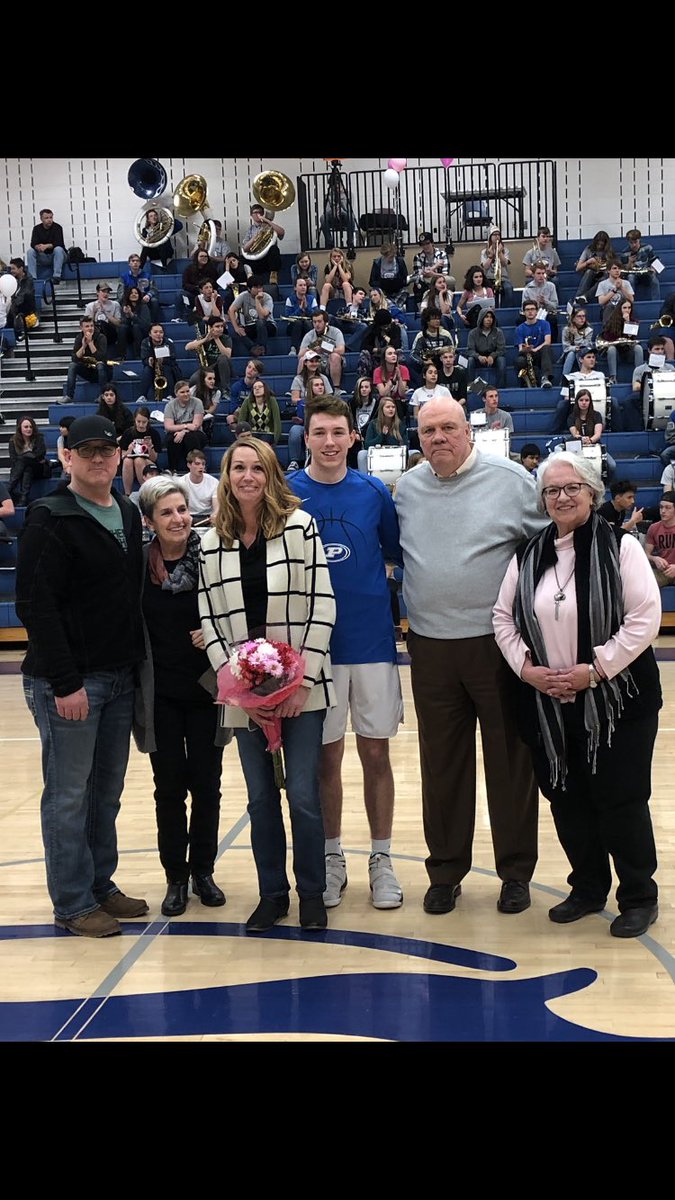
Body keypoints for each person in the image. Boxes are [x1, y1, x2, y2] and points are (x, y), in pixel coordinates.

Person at [493, 451, 662, 938]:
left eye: (572, 488)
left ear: (592, 492)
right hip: (548, 701)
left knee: (621, 798)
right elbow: (502, 618)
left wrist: (597, 670)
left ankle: (637, 895)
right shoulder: (528, 553)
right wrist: (527, 671)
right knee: (567, 799)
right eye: (552, 490)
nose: (562, 497)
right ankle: (587, 888)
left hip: (617, 703)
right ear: (542, 500)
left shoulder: (622, 547)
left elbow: (644, 619)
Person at [395, 397, 545, 916]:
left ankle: (516, 873)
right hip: (430, 647)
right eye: (428, 430)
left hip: (497, 646)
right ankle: (446, 872)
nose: (438, 438)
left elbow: (545, 549)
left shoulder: (510, 481)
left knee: (511, 763)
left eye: (448, 428)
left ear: (469, 431)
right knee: (441, 766)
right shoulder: (408, 488)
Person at [15, 414, 148, 937]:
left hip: (118, 677)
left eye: (106, 450)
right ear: (66, 456)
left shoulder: (128, 512)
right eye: (86, 451)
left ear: (119, 456)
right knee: (68, 796)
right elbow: (34, 606)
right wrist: (66, 682)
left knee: (106, 793)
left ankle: (99, 885)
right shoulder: (50, 516)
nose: (98, 459)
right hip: (68, 683)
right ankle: (72, 903)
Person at [198, 435, 336, 932]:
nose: (247, 476)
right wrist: (238, 686)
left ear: (271, 474)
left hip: (303, 692)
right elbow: (209, 618)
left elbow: (323, 604)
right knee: (260, 798)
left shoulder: (301, 527)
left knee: (301, 793)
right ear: (227, 476)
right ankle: (272, 894)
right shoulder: (210, 538)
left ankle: (313, 894)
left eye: (257, 468)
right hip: (244, 696)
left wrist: (300, 684)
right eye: (238, 468)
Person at [289, 399, 405, 911]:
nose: (331, 441)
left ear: (353, 437)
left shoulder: (374, 491)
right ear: (307, 437)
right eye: (321, 432)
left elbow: (393, 556)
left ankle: (382, 859)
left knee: (376, 753)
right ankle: (332, 857)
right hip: (315, 650)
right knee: (326, 758)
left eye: (339, 432)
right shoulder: (288, 493)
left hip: (372, 644)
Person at [134, 475, 226, 917]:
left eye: (183, 510)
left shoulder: (211, 558)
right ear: (150, 520)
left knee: (207, 787)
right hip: (160, 697)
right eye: (167, 512)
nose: (179, 519)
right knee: (168, 789)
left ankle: (203, 871)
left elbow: (235, 615)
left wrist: (213, 634)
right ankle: (175, 878)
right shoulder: (137, 567)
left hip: (207, 692)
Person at [553, 347, 607, 435]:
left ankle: (618, 432)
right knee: (562, 404)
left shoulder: (600, 375)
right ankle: (554, 433)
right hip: (577, 405)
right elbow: (566, 397)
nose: (592, 360)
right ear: (581, 360)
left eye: (593, 357)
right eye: (589, 357)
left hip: (597, 401)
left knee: (614, 402)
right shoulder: (570, 376)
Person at [566, 387, 616, 478]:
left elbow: (597, 434)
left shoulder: (596, 415)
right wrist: (582, 439)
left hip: (595, 444)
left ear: (590, 402)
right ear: (577, 401)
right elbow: (575, 434)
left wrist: (590, 440)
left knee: (612, 465)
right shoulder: (571, 417)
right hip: (578, 446)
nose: (584, 403)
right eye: (581, 400)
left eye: (587, 400)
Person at [286, 374, 332, 469]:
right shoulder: (303, 403)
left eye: (321, 385)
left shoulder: (330, 402)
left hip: (325, 427)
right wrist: (300, 420)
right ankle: (294, 461)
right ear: (311, 388)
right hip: (307, 426)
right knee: (295, 430)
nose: (320, 387)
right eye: (316, 385)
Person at [62, 315, 109, 403]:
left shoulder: (101, 337)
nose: (90, 328)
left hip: (104, 372)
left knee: (99, 364)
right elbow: (74, 358)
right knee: (72, 366)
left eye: (91, 326)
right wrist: (83, 346)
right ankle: (69, 396)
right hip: (88, 371)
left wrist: (90, 343)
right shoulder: (79, 338)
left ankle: (102, 395)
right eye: (87, 326)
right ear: (81, 328)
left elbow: (101, 358)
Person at [163, 379, 207, 474]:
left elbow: (195, 426)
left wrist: (183, 431)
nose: (186, 394)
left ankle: (196, 466)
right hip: (177, 431)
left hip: (196, 433)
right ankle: (172, 469)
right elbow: (168, 426)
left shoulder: (197, 402)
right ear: (176, 394)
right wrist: (186, 426)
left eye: (188, 391)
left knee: (190, 438)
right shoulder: (170, 405)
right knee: (172, 439)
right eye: (182, 392)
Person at [227, 275, 276, 358]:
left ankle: (262, 348)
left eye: (260, 287)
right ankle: (254, 348)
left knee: (260, 322)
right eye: (256, 287)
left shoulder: (267, 298)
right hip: (251, 325)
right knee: (239, 332)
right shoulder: (243, 296)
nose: (259, 290)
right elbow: (231, 310)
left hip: (268, 325)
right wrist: (236, 327)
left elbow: (262, 316)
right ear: (249, 289)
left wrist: (257, 300)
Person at [298, 309, 345, 391]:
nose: (317, 324)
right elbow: (300, 354)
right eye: (314, 322)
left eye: (319, 321)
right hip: (316, 362)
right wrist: (312, 349)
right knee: (303, 360)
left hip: (331, 362)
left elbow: (341, 350)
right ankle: (299, 389)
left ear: (326, 322)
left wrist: (326, 348)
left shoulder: (336, 332)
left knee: (335, 356)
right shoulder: (309, 335)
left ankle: (337, 389)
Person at [185, 314, 232, 397]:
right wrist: (205, 340)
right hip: (208, 369)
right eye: (217, 326)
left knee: (223, 358)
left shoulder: (226, 338)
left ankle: (225, 390)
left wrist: (216, 339)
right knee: (192, 380)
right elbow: (187, 347)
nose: (220, 329)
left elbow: (227, 355)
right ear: (210, 328)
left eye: (222, 326)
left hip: (221, 367)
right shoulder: (205, 337)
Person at [119, 405, 162, 495]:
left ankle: (145, 492)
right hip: (130, 463)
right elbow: (122, 455)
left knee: (138, 460)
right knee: (127, 461)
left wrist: (150, 447)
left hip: (148, 462)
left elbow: (154, 459)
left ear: (148, 421)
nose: (141, 425)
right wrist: (129, 450)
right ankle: (128, 494)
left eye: (144, 422)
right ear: (134, 420)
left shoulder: (153, 433)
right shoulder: (128, 433)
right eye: (138, 421)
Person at [599, 298, 643, 383]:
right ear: (620, 308)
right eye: (625, 308)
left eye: (629, 308)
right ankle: (613, 377)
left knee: (638, 348)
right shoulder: (612, 321)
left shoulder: (634, 321)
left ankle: (639, 377)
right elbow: (608, 338)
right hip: (616, 351)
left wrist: (627, 322)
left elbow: (631, 338)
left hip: (628, 351)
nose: (627, 310)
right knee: (611, 349)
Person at [360, 397, 409, 473]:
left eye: (393, 407)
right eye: (388, 407)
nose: (391, 409)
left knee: (414, 452)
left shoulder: (400, 424)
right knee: (362, 454)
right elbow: (367, 445)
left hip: (395, 455)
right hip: (377, 455)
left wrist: (387, 435)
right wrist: (381, 436)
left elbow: (405, 446)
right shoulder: (373, 424)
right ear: (381, 409)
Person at [8, 415, 49, 506]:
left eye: (31, 427)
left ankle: (8, 490)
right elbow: (13, 460)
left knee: (24, 460)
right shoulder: (13, 441)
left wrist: (26, 456)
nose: (29, 429)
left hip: (39, 469)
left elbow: (40, 455)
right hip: (23, 470)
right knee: (27, 468)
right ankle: (23, 498)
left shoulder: (38, 438)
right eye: (26, 427)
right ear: (20, 428)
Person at [240, 202, 285, 282]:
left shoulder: (269, 225)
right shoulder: (250, 230)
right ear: (252, 215)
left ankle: (273, 275)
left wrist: (267, 221)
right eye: (256, 212)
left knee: (274, 249)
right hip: (256, 259)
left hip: (268, 260)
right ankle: (249, 278)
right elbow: (245, 248)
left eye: (260, 212)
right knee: (242, 258)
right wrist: (255, 238)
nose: (258, 214)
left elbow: (282, 232)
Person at [409, 308, 456, 385]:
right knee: (410, 363)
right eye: (434, 319)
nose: (438, 321)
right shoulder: (420, 336)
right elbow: (413, 354)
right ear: (427, 321)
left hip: (442, 362)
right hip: (425, 364)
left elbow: (451, 350)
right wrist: (424, 362)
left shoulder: (446, 334)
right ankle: (419, 385)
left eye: (438, 318)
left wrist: (440, 354)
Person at [410, 232, 456, 306]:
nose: (425, 246)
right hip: (425, 282)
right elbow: (418, 276)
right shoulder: (418, 257)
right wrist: (435, 267)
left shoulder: (442, 254)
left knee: (451, 282)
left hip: (440, 280)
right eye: (423, 244)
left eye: (427, 243)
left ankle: (446, 306)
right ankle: (422, 308)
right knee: (418, 284)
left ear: (432, 243)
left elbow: (445, 274)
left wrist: (432, 274)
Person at [515, 300, 553, 388]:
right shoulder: (519, 329)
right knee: (519, 360)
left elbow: (547, 341)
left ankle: (545, 378)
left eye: (532, 309)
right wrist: (526, 349)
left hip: (540, 353)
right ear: (524, 312)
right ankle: (525, 384)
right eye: (527, 310)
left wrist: (535, 349)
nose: (530, 311)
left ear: (536, 311)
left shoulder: (545, 324)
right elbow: (520, 348)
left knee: (546, 348)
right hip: (527, 354)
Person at [466, 308, 507, 389]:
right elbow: (470, 350)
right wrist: (478, 356)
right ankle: (470, 386)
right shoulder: (472, 333)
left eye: (491, 317)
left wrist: (492, 356)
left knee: (501, 360)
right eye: (486, 317)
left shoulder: (498, 332)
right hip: (479, 358)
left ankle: (500, 388)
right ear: (481, 318)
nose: (489, 319)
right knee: (470, 360)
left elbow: (501, 349)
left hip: (493, 358)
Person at [139, 323, 179, 402]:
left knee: (167, 368)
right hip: (153, 368)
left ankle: (170, 395)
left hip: (167, 367)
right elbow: (144, 359)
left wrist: (163, 360)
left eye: (161, 332)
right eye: (155, 332)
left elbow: (173, 360)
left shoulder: (168, 343)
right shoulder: (145, 342)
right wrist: (149, 361)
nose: (158, 334)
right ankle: (143, 396)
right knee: (147, 369)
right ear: (150, 334)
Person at [117, 252, 162, 323]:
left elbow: (154, 289)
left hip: (144, 299)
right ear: (129, 263)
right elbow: (120, 292)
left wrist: (148, 295)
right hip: (130, 299)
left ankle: (153, 323)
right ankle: (125, 322)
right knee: (119, 302)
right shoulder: (123, 277)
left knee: (154, 301)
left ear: (140, 263)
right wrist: (126, 299)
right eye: (133, 261)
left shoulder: (147, 276)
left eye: (137, 261)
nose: (135, 263)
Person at [358, 308, 403, 378]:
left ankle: (399, 379)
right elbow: (363, 346)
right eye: (385, 326)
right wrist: (378, 350)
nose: (387, 328)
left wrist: (385, 336)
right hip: (376, 358)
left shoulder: (395, 328)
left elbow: (397, 345)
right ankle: (364, 381)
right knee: (364, 354)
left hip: (390, 357)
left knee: (399, 353)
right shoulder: (372, 329)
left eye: (389, 325)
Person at [84, 283, 125, 358]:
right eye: (103, 291)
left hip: (111, 332)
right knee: (99, 324)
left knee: (103, 324)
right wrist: (94, 312)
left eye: (108, 292)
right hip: (96, 333)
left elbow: (118, 323)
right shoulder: (90, 306)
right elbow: (87, 325)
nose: (106, 294)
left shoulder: (115, 304)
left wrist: (105, 312)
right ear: (97, 292)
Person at [175, 249, 219, 319]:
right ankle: (178, 318)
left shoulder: (212, 270)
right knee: (180, 294)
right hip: (193, 295)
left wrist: (207, 290)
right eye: (201, 256)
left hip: (208, 297)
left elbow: (215, 285)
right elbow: (185, 285)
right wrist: (197, 289)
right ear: (197, 257)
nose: (204, 258)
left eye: (206, 256)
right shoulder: (189, 269)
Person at [27, 208, 67, 283]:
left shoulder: (57, 227)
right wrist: (38, 247)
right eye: (46, 218)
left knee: (58, 249)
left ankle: (56, 276)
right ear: (41, 219)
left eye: (51, 217)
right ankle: (32, 278)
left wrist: (46, 246)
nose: (49, 220)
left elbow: (59, 243)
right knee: (30, 251)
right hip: (44, 256)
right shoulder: (36, 229)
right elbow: (33, 243)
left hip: (57, 256)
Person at [236, 378, 282, 444]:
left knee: (263, 443)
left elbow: (277, 421)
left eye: (260, 387)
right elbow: (241, 420)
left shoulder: (271, 400)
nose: (257, 389)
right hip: (252, 434)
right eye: (255, 387)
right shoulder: (247, 401)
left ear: (265, 389)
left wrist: (275, 440)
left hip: (268, 434)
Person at [522, 263, 560, 341]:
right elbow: (523, 307)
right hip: (533, 313)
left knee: (552, 319)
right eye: (538, 273)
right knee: (520, 320)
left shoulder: (551, 286)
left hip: (547, 312)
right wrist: (536, 304)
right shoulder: (528, 288)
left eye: (543, 273)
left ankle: (552, 343)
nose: (541, 276)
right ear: (533, 275)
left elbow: (555, 305)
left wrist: (545, 301)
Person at [621, 228, 660, 301]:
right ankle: (630, 303)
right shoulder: (624, 253)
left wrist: (653, 269)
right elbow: (624, 272)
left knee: (654, 279)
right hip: (633, 274)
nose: (634, 245)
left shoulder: (647, 247)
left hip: (646, 273)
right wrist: (629, 263)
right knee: (630, 278)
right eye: (631, 243)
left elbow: (655, 260)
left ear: (639, 240)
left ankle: (656, 302)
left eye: (635, 242)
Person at [645, 492, 675, 588]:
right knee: (642, 581)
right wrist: (655, 559)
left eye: (667, 508)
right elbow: (646, 554)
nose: (663, 511)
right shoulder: (653, 528)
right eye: (661, 507)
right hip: (663, 571)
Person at [480, 226, 515, 306]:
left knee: (508, 288)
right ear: (490, 237)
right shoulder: (484, 252)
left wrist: (499, 252)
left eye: (498, 234)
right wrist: (490, 256)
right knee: (488, 290)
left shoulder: (505, 250)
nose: (497, 236)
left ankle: (506, 310)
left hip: (503, 278)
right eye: (494, 234)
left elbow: (505, 263)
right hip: (489, 278)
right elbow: (485, 266)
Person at [575, 230, 613, 302]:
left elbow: (612, 267)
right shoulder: (588, 249)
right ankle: (578, 296)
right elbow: (578, 268)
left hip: (603, 275)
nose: (599, 247)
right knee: (589, 272)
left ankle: (585, 296)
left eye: (601, 245)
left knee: (605, 278)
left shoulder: (608, 252)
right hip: (590, 273)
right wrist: (588, 262)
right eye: (597, 244)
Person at [283, 276, 319, 353]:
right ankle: (294, 349)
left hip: (307, 325)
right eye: (300, 285)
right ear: (295, 288)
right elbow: (288, 317)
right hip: (293, 327)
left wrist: (306, 308)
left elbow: (317, 316)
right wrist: (299, 309)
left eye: (304, 285)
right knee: (298, 323)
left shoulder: (311, 299)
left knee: (307, 323)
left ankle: (312, 347)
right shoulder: (290, 299)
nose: (303, 287)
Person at [372, 344, 410, 417]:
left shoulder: (403, 369)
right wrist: (392, 380)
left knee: (398, 405)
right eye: (390, 354)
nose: (393, 355)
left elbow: (402, 394)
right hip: (383, 401)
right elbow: (382, 393)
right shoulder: (378, 371)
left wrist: (399, 378)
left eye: (395, 353)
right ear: (384, 358)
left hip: (398, 402)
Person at [368, 243, 409, 308]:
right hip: (383, 291)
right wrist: (382, 283)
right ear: (384, 255)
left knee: (405, 291)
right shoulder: (377, 263)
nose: (390, 259)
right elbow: (372, 281)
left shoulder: (400, 261)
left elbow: (406, 279)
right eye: (389, 257)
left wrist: (398, 282)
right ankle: (393, 307)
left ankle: (392, 306)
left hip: (397, 290)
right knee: (375, 293)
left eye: (392, 257)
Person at [183, 449, 218, 523]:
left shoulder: (213, 482)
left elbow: (217, 507)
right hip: (188, 516)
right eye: (197, 464)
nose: (201, 467)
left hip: (208, 517)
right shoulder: (181, 483)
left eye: (203, 464)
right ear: (189, 465)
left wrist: (215, 515)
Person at [596, 258, 634, 327]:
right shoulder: (602, 284)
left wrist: (622, 287)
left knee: (627, 307)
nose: (617, 271)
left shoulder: (626, 283)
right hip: (609, 311)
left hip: (623, 311)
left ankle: (628, 334)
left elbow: (631, 300)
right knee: (610, 306)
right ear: (608, 271)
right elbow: (601, 302)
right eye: (614, 268)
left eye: (619, 268)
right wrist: (615, 290)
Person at [119, 285, 153, 359]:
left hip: (142, 332)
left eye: (136, 293)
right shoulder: (125, 306)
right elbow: (122, 322)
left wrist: (132, 315)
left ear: (139, 295)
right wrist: (127, 316)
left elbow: (144, 324)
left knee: (136, 327)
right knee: (122, 327)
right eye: (131, 293)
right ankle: (122, 356)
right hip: (129, 334)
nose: (133, 294)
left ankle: (138, 355)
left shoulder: (143, 306)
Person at [561, 307, 595, 377]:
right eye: (579, 316)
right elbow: (565, 347)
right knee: (572, 353)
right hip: (569, 354)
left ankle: (585, 376)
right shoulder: (566, 330)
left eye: (583, 316)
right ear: (573, 319)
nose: (582, 318)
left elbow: (585, 345)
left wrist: (576, 334)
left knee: (580, 353)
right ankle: (564, 377)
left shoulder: (589, 330)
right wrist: (574, 348)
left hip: (584, 353)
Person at [139, 207, 175, 272]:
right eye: (151, 216)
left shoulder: (163, 226)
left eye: (155, 215)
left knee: (161, 244)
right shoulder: (145, 230)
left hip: (166, 252)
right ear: (148, 219)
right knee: (146, 247)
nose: (154, 217)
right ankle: (140, 269)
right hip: (155, 254)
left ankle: (164, 266)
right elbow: (144, 241)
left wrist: (170, 218)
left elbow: (179, 226)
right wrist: (148, 237)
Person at [7, 258, 37, 328]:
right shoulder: (11, 279)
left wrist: (13, 305)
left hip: (25, 306)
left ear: (21, 268)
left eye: (13, 269)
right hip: (14, 305)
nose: (11, 271)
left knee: (27, 296)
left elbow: (24, 294)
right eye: (11, 269)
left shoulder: (28, 279)